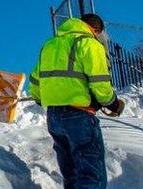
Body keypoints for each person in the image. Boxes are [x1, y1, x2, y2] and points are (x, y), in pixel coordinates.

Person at [30, 13, 124, 188]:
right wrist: (113, 103)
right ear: (95, 30)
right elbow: (100, 84)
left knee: (71, 176)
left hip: (54, 118)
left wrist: (39, 97)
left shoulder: (50, 45)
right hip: (79, 116)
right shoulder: (89, 43)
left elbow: (36, 81)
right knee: (90, 176)